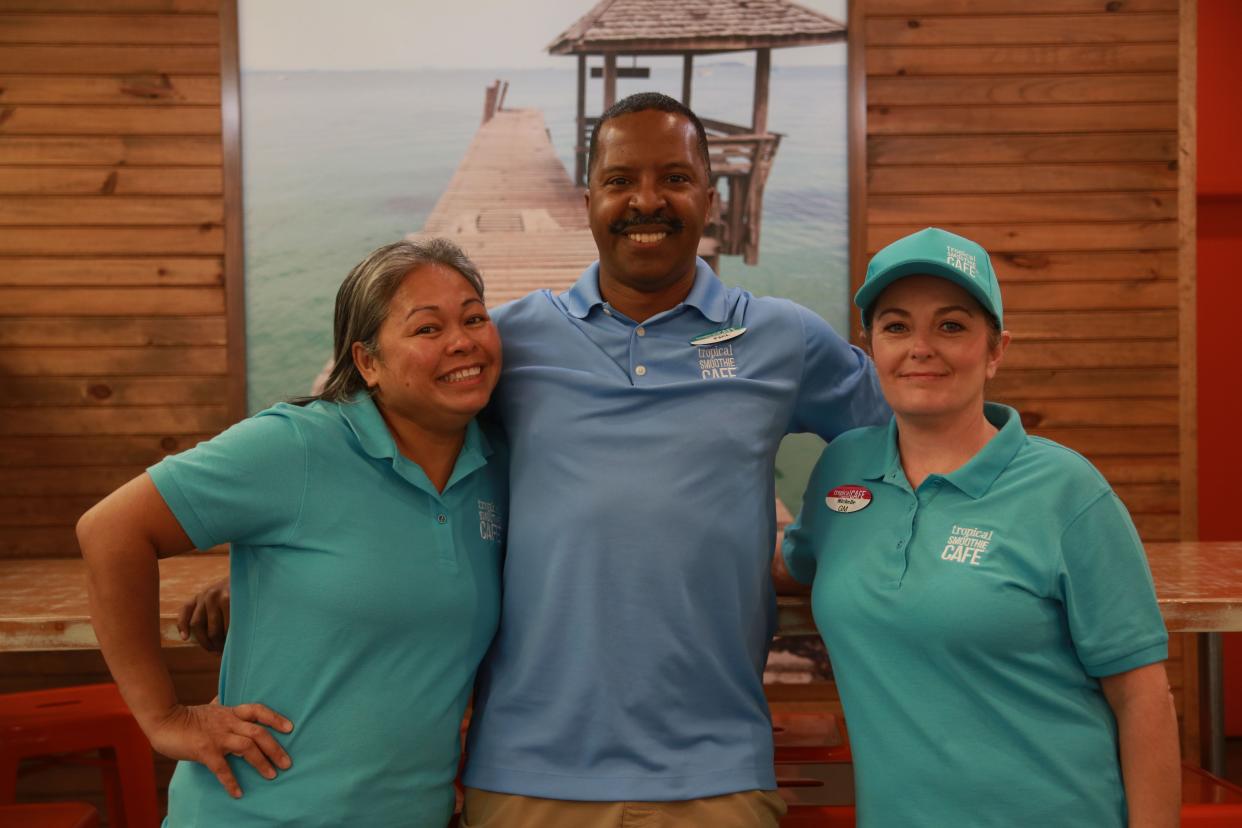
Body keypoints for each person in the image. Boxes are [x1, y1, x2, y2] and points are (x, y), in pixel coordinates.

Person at [181, 92, 888, 827]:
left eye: (674, 178)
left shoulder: (782, 338)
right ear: (588, 200)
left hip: (716, 772)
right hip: (525, 772)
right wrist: (284, 568)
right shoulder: (507, 342)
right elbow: (383, 451)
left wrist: (818, 547)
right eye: (620, 181)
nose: (646, 199)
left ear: (710, 197)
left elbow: (903, 446)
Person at [77, 238, 507, 828]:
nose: (462, 341)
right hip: (260, 814)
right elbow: (110, 531)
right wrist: (165, 718)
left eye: (475, 318)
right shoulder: (300, 446)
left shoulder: (495, 470)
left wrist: (255, 584)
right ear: (367, 362)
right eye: (427, 329)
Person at [781, 227, 1180, 827]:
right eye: (895, 326)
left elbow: (1143, 696)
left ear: (996, 350)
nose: (920, 347)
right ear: (871, 349)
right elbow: (794, 566)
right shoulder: (844, 470)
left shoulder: (1067, 492)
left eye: (951, 325)